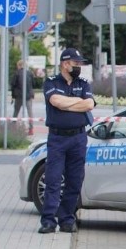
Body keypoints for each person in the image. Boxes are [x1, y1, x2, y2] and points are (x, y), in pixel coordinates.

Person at [38, 48, 95, 234]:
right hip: (57, 138)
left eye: (80, 64)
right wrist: (76, 101)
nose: (79, 66)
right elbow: (56, 102)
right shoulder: (51, 82)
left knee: (75, 181)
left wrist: (70, 102)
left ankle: (66, 219)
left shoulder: (84, 83)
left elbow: (89, 104)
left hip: (78, 138)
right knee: (53, 179)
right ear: (65, 64)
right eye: (76, 63)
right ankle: (48, 220)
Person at [10, 60, 34, 133]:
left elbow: (13, 85)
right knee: (30, 112)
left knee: (16, 111)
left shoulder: (16, 73)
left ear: (19, 65)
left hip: (19, 95)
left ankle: (13, 127)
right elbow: (33, 83)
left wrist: (13, 96)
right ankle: (31, 128)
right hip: (29, 95)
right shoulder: (30, 73)